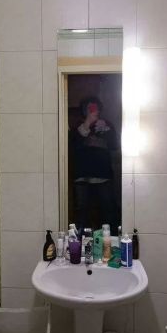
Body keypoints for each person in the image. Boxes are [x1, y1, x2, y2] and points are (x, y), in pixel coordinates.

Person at [70, 96, 119, 233]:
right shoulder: (77, 125)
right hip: (82, 176)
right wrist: (87, 124)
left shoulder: (106, 125)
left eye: (95, 108)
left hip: (103, 176)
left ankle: (109, 238)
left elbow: (115, 146)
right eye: (90, 108)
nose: (93, 111)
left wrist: (106, 131)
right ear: (84, 110)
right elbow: (72, 145)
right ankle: (81, 240)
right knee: (82, 212)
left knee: (108, 211)